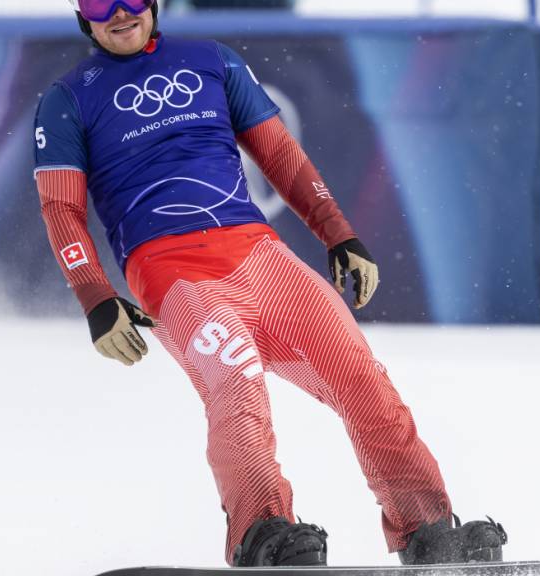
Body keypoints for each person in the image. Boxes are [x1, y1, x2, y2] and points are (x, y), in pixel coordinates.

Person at [34, 0, 507, 567]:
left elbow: (281, 156)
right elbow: (61, 209)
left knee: (359, 376)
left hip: (260, 255)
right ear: (82, 15)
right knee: (236, 388)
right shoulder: (66, 100)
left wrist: (340, 235)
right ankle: (261, 533)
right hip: (172, 273)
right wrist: (96, 298)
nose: (118, 12)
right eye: (98, 2)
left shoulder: (213, 62)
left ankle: (426, 526)